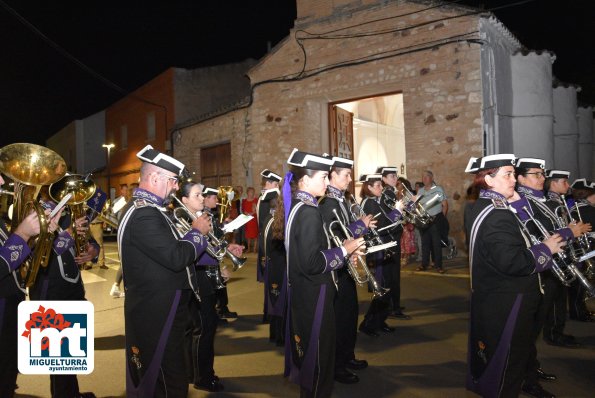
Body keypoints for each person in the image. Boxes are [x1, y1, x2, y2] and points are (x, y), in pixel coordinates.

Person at [464, 154, 565, 398]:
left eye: (512, 174)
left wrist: (518, 205)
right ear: (488, 179)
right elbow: (514, 262)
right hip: (509, 300)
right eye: (507, 175)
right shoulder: (498, 214)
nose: (513, 180)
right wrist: (546, 249)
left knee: (499, 361)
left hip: (494, 297)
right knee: (508, 365)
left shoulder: (482, 206)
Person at [117, 145, 211, 398]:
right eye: (172, 181)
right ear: (155, 178)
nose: (175, 187)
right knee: (169, 379)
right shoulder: (146, 215)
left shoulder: (150, 210)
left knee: (166, 375)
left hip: (159, 307)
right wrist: (197, 233)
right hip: (157, 310)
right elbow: (176, 256)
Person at [274, 148, 364, 398]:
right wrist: (344, 252)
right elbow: (312, 263)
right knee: (319, 362)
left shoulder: (300, 208)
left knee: (312, 361)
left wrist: (341, 252)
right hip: (315, 294)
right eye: (323, 177)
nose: (327, 182)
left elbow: (309, 253)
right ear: (304, 180)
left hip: (304, 293)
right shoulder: (310, 212)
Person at [177, 181, 243, 392]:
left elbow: (210, 246)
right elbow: (187, 253)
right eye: (197, 195)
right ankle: (203, 377)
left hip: (205, 276)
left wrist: (226, 251)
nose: (202, 198)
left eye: (202, 194)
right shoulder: (181, 220)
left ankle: (191, 372)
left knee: (198, 328)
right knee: (204, 329)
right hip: (196, 278)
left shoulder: (202, 217)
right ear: (185, 199)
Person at [30, 202, 99, 398]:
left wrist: (92, 252)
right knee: (58, 358)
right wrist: (69, 233)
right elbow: (39, 252)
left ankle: (71, 392)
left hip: (73, 291)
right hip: (50, 294)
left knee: (70, 354)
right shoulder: (34, 218)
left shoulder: (68, 216)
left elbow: (91, 241)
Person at [319, 155, 374, 384]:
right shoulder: (328, 203)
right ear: (331, 176)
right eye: (346, 175)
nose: (350, 179)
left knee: (350, 314)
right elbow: (333, 236)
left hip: (346, 265)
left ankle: (347, 355)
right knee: (341, 317)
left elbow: (344, 230)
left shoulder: (340, 200)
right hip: (336, 269)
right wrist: (361, 226)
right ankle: (337, 366)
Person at [542, 169, 583, 346]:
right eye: (564, 182)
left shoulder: (559, 201)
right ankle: (553, 333)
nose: (568, 185)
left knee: (559, 296)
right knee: (554, 297)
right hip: (555, 253)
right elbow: (550, 230)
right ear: (554, 183)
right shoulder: (550, 203)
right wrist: (569, 231)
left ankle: (557, 330)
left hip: (563, 252)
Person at [358, 174, 402, 335]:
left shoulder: (376, 201)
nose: (381, 188)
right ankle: (368, 324)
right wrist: (397, 212)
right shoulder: (369, 203)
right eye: (377, 185)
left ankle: (379, 321)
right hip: (376, 250)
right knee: (381, 288)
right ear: (369, 187)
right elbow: (383, 224)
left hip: (383, 247)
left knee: (387, 286)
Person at [377, 166, 411, 319]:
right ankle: (393, 307)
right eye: (391, 176)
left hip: (394, 236)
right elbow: (388, 218)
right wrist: (400, 209)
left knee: (393, 274)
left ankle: (393, 304)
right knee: (392, 275)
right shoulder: (387, 194)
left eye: (395, 175)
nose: (395, 178)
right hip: (390, 237)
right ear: (383, 178)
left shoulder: (391, 193)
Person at [202, 187, 238, 321]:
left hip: (215, 255)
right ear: (206, 198)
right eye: (214, 198)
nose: (217, 200)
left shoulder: (210, 214)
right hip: (209, 258)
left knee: (219, 286)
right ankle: (217, 312)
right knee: (212, 290)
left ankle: (221, 309)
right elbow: (210, 239)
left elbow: (216, 234)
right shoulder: (202, 215)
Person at [260, 188, 286, 346]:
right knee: (279, 302)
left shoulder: (269, 218)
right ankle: (279, 336)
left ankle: (276, 334)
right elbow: (276, 248)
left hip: (273, 266)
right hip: (278, 267)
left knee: (276, 301)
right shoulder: (275, 221)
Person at [569, 178, 595, 322]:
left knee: (578, 284)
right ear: (588, 195)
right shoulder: (588, 210)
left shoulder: (574, 208)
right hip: (585, 250)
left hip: (580, 249)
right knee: (581, 284)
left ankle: (578, 310)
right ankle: (578, 312)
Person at [416, 170, 448, 273]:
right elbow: (417, 206)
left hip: (436, 219)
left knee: (436, 243)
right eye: (423, 177)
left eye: (426, 177)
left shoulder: (438, 189)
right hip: (424, 220)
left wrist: (441, 218)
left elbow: (445, 204)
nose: (424, 179)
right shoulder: (420, 191)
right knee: (425, 243)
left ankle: (438, 266)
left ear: (432, 178)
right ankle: (424, 264)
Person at [256, 169, 282, 283]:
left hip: (265, 239)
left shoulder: (262, 197)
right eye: (276, 185)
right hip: (272, 242)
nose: (278, 188)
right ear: (268, 184)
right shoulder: (270, 197)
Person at [109, 183, 131, 296]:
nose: (126, 192)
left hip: (130, 233)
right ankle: (117, 286)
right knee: (125, 260)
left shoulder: (130, 201)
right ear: (121, 191)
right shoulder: (118, 202)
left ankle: (117, 286)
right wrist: (119, 226)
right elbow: (111, 217)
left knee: (127, 261)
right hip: (123, 233)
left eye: (128, 190)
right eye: (125, 190)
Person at [86, 188, 109, 270]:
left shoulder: (101, 201)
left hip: (97, 223)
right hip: (87, 224)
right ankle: (89, 263)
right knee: (88, 245)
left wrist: (105, 222)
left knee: (99, 244)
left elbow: (105, 211)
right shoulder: (87, 198)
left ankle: (101, 263)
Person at [242, 187, 259, 253]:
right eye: (250, 192)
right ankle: (248, 249)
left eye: (252, 192)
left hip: (254, 219)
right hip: (247, 219)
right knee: (248, 235)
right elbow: (243, 210)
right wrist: (247, 213)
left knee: (255, 234)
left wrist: (251, 213)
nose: (251, 193)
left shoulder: (255, 200)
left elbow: (256, 210)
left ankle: (254, 249)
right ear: (247, 193)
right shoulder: (244, 201)